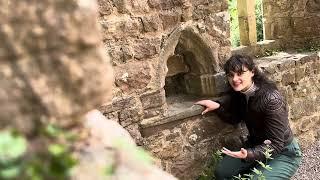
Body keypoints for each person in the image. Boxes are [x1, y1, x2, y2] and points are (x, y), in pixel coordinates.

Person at [195, 54, 302, 179]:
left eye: (240, 73)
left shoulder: (271, 99)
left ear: (252, 72)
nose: (235, 79)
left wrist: (249, 154)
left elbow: (276, 144)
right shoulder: (240, 94)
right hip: (255, 146)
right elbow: (234, 119)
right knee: (222, 172)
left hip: (283, 152)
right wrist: (217, 107)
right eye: (231, 75)